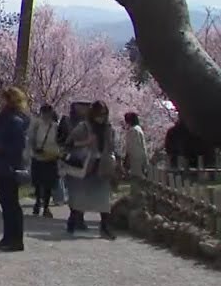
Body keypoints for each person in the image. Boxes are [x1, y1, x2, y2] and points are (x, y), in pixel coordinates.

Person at [63, 100, 119, 240]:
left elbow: (112, 146)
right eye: (99, 114)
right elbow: (68, 143)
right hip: (87, 164)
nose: (101, 117)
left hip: (103, 166)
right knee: (81, 196)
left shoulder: (108, 128)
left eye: (104, 114)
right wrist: (86, 142)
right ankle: (73, 221)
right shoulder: (83, 127)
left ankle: (104, 227)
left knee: (104, 198)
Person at [0, 87, 30, 252]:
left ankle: (16, 239)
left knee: (12, 204)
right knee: (5, 202)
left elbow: (18, 147)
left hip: (10, 166)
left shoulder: (15, 120)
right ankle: (7, 237)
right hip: (0, 164)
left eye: (2, 98)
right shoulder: (1, 119)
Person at [27, 104, 62, 217]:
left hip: (51, 157)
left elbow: (59, 141)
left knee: (48, 184)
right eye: (44, 113)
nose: (46, 116)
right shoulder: (36, 125)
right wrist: (33, 150)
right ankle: (38, 202)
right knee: (37, 182)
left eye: (48, 113)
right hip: (38, 157)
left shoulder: (56, 127)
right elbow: (30, 138)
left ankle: (45, 206)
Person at [123, 111, 149, 180]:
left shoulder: (133, 130)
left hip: (135, 158)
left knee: (136, 178)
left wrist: (127, 157)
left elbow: (131, 147)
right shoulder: (138, 129)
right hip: (141, 156)